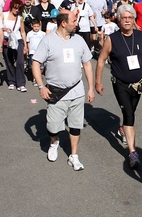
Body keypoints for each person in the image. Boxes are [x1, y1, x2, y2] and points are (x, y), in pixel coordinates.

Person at [95, 4, 142, 168]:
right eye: (124, 18)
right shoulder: (112, 39)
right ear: (118, 20)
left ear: (134, 19)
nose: (127, 20)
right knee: (129, 115)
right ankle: (132, 152)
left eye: (130, 17)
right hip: (120, 84)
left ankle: (123, 128)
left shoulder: (141, 36)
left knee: (131, 111)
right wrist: (98, 81)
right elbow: (101, 60)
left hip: (139, 84)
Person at [32, 10, 95, 171]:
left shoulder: (79, 40)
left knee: (75, 125)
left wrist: (91, 88)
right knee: (53, 126)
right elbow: (35, 63)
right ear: (63, 23)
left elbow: (87, 64)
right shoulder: (48, 40)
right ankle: (54, 142)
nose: (77, 23)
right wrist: (41, 86)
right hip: (55, 92)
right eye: (74, 21)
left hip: (77, 90)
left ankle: (74, 156)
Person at [1, 0, 28, 92]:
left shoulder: (20, 18)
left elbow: (23, 32)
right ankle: (11, 81)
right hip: (6, 40)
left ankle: (21, 83)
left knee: (20, 61)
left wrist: (25, 45)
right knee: (9, 61)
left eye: (19, 8)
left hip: (18, 40)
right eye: (15, 8)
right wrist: (4, 29)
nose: (17, 10)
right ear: (11, 7)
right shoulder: (3, 15)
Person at [26, 18, 45, 86]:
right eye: (35, 26)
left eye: (37, 26)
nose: (36, 28)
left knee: (41, 67)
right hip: (32, 52)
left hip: (41, 52)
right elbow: (28, 42)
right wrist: (28, 50)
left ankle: (39, 76)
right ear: (32, 26)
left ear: (40, 26)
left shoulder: (43, 34)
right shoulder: (29, 34)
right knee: (34, 66)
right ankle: (35, 79)